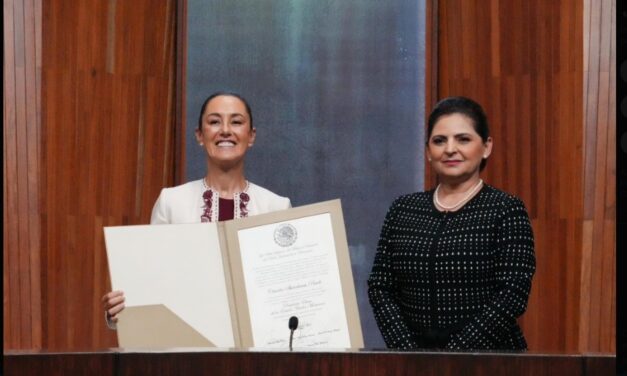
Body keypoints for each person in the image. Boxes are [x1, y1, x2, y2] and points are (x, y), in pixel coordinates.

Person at [102, 92, 291, 328]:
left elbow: (285, 295)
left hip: (255, 353)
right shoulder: (171, 202)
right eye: (214, 122)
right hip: (187, 350)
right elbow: (151, 282)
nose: (225, 130)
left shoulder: (276, 206)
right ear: (200, 136)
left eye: (236, 121)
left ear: (251, 136)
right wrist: (119, 311)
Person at [367, 96, 535, 351]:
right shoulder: (403, 209)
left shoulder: (506, 209)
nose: (450, 149)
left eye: (463, 139)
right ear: (428, 152)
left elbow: (513, 292)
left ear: (486, 146)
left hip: (489, 363)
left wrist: (453, 357)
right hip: (412, 363)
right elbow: (380, 287)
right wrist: (409, 354)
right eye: (439, 141)